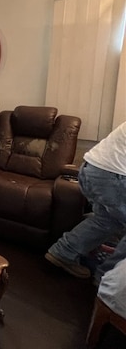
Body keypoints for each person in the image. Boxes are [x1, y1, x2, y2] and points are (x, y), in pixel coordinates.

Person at [45, 121, 126, 283]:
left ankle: (63, 252)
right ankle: (107, 279)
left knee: (107, 220)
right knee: (110, 220)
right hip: (113, 176)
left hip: (91, 168)